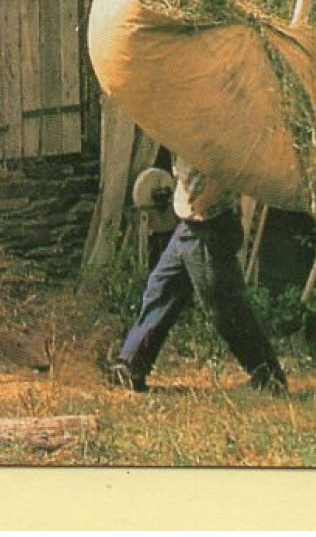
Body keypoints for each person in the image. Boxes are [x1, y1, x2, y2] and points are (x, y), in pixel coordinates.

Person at [111, 156, 288, 393]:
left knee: (225, 307)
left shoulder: (217, 125)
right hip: (190, 222)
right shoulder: (182, 122)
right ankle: (131, 366)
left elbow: (226, 160)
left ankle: (267, 375)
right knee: (161, 288)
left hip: (209, 222)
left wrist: (206, 199)